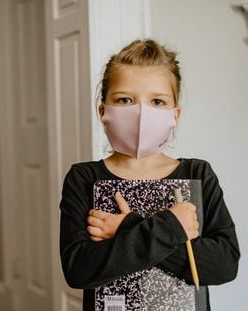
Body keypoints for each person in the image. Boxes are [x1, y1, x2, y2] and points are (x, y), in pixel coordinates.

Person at [59, 39, 240, 310]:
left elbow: (223, 266)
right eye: (124, 99)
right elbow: (79, 270)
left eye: (157, 101)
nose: (141, 112)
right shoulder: (84, 178)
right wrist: (171, 228)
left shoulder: (198, 174)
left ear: (174, 115)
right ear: (103, 110)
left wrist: (126, 227)